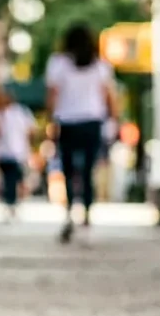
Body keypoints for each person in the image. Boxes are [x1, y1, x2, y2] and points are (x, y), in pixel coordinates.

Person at [45, 23, 118, 243]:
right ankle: (86, 211)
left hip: (67, 122)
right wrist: (114, 120)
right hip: (92, 121)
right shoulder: (101, 66)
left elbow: (52, 95)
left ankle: (69, 211)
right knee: (87, 170)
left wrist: (50, 121)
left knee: (67, 169)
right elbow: (109, 96)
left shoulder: (58, 64)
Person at [0, 85, 36, 219]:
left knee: (16, 178)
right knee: (7, 179)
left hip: (18, 152)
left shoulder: (20, 112)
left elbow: (31, 130)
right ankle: (9, 202)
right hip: (2, 153)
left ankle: (13, 201)